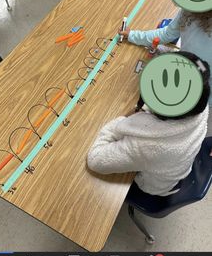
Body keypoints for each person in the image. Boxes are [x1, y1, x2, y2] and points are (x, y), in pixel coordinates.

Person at [87, 51, 210, 196]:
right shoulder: (198, 102)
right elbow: (200, 65)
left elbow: (95, 160)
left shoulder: (148, 145)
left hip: (154, 187)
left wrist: (120, 124)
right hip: (178, 164)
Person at [119, 10, 212, 137]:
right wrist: (132, 35)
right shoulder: (189, 11)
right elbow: (167, 34)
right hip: (184, 71)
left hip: (201, 96)